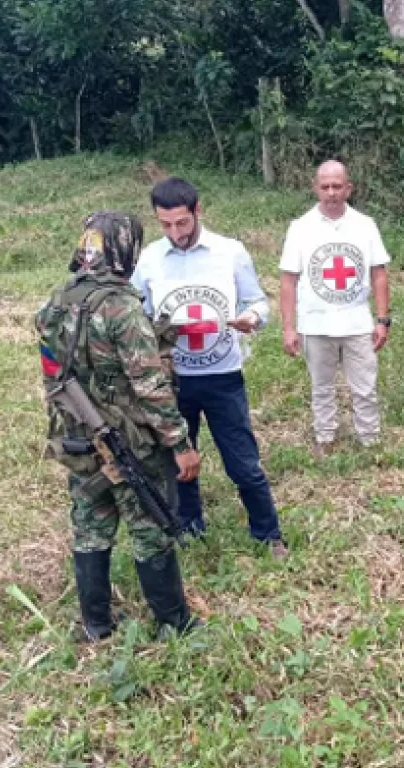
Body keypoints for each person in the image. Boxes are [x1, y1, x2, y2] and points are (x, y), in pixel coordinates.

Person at [35, 211, 202, 641]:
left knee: (90, 528)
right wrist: (180, 443)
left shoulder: (56, 301)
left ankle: (95, 624)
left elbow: (53, 374)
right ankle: (174, 623)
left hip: (77, 435)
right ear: (124, 249)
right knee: (151, 528)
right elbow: (150, 385)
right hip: (129, 440)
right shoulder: (121, 307)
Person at [131, 178, 289, 559]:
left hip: (222, 377)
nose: (174, 233)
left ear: (198, 211)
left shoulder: (230, 252)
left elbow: (259, 302)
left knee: (243, 462)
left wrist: (251, 318)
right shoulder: (150, 258)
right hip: (172, 378)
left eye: (181, 223)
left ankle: (268, 534)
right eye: (165, 225)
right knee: (180, 461)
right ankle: (189, 527)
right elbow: (136, 310)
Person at [279, 160, 393, 452]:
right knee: (321, 387)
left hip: (357, 322)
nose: (331, 192)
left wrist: (382, 319)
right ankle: (325, 438)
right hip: (315, 323)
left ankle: (370, 439)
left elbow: (378, 273)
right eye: (325, 186)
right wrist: (289, 328)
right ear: (316, 188)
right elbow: (288, 281)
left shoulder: (364, 225)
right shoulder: (300, 228)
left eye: (337, 186)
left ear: (348, 189)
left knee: (365, 387)